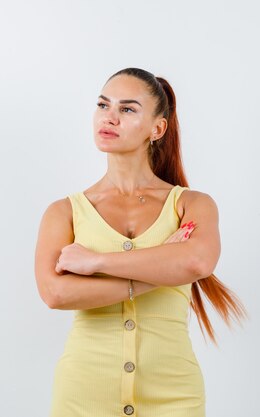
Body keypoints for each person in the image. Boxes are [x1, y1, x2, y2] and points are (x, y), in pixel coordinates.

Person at [34, 67, 247, 417]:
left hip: (174, 393)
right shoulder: (64, 212)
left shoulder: (192, 204)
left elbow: (196, 263)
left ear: (157, 128)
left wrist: (96, 263)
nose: (110, 117)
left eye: (127, 109)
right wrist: (161, 268)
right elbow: (55, 294)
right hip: (84, 391)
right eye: (103, 105)